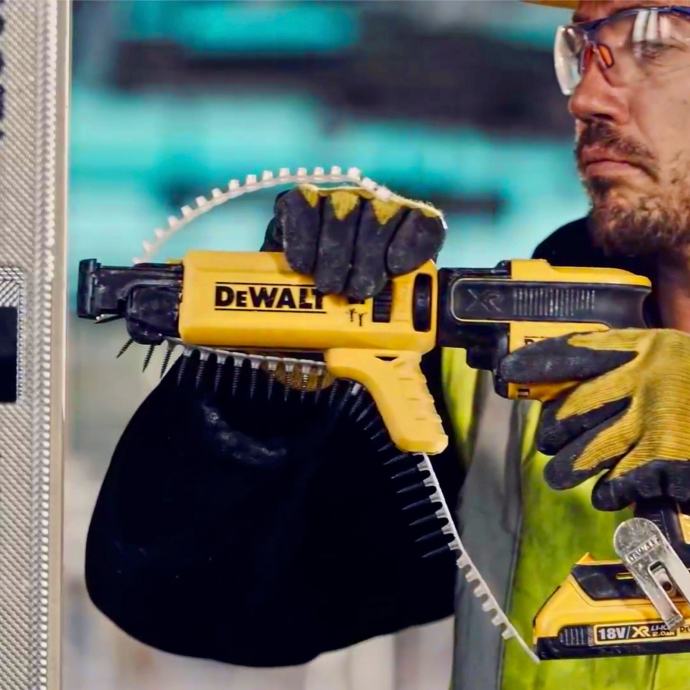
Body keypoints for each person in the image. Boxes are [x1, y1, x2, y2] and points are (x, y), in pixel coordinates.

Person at [84, 1, 690, 689]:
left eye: (651, 43)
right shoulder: (504, 369)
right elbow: (185, 597)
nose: (585, 98)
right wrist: (279, 377)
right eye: (582, 50)